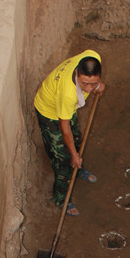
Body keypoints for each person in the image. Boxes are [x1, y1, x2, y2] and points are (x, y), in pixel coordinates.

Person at [34, 49, 105, 216]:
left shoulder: (92, 56)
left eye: (93, 83)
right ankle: (61, 198)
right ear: (76, 74)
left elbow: (93, 81)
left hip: (67, 109)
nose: (88, 88)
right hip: (49, 112)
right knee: (64, 159)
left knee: (77, 139)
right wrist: (73, 154)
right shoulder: (67, 94)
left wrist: (100, 86)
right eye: (84, 84)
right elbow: (64, 129)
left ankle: (78, 169)